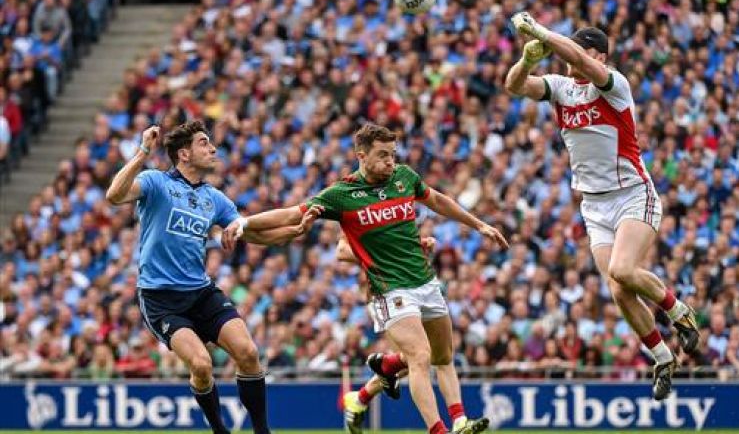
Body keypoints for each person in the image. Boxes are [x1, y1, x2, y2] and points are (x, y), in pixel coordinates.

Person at [224, 123, 505, 434]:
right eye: (383, 155)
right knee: (420, 357)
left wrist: (479, 225)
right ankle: (439, 430)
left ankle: (451, 416)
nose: (390, 162)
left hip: (425, 281)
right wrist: (243, 224)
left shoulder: (404, 178)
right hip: (391, 290)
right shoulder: (342, 196)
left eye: (393, 155)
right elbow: (293, 215)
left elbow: (437, 200)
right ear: (361, 155)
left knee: (442, 355)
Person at [504, 15, 700, 400]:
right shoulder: (560, 88)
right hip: (594, 206)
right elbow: (513, 86)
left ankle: (679, 313)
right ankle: (662, 357)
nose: (566, 60)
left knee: (623, 269)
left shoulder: (613, 84)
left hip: (631, 194)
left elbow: (578, 57)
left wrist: (541, 32)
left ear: (597, 55)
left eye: (578, 52)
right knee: (618, 289)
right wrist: (527, 59)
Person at [106, 120, 318, 434]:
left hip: (201, 291)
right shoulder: (155, 182)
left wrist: (292, 231)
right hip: (161, 299)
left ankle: (262, 431)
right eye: (204, 143)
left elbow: (248, 232)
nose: (213, 148)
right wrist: (142, 152)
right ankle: (219, 429)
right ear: (184, 154)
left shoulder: (214, 199)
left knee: (248, 353)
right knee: (202, 365)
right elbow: (114, 195)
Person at [338, 235, 434, 434]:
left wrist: (418, 249)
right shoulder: (362, 219)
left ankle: (359, 398)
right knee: (415, 357)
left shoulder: (393, 223)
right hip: (384, 301)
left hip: (403, 299)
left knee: (415, 359)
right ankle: (361, 397)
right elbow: (342, 250)